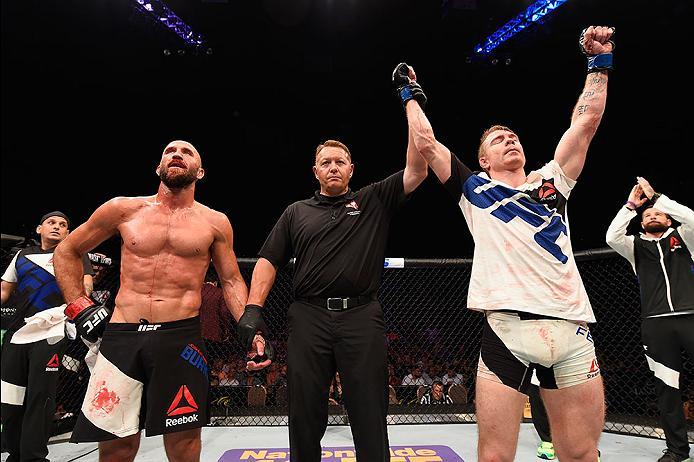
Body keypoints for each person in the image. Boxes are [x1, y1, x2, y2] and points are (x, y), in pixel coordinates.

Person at [396, 25, 614, 462]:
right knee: (494, 456)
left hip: (570, 327)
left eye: (512, 135)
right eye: (498, 139)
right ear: (484, 160)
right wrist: (409, 94)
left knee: (581, 453)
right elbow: (425, 143)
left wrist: (599, 62)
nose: (510, 139)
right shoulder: (473, 188)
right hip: (507, 330)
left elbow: (586, 122)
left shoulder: (554, 181)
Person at [52, 140, 266, 462]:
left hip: (181, 337)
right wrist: (79, 305)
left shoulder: (215, 222)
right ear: (158, 168)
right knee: (116, 445)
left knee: (183, 444)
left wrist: (251, 329)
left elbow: (231, 280)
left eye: (187, 152)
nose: (177, 154)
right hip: (122, 336)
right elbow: (66, 250)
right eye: (170, 151)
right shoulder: (123, 209)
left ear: (200, 171)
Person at [245, 137, 428, 461]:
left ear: (351, 169)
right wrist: (252, 310)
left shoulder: (372, 200)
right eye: (326, 162)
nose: (333, 167)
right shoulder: (296, 212)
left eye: (340, 161)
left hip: (361, 315)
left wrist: (411, 104)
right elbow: (269, 260)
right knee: (303, 413)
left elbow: (417, 170)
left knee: (369, 411)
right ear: (315, 171)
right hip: (308, 317)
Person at [606, 177, 694, 462]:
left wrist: (657, 198)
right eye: (648, 215)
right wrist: (632, 206)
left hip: (691, 318)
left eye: (657, 213)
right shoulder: (635, 247)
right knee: (667, 389)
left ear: (668, 218)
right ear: (641, 224)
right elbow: (612, 237)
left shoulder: (685, 238)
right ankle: (678, 449)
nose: (653, 216)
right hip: (656, 324)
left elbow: (690, 217)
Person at [1, 211, 94, 462]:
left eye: (63, 225)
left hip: (52, 331)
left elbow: (86, 288)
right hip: (16, 333)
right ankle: (15, 453)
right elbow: (3, 289)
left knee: (40, 398)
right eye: (51, 223)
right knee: (10, 399)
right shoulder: (21, 255)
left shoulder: (75, 255)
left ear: (67, 233)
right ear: (39, 228)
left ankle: (33, 457)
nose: (57, 227)